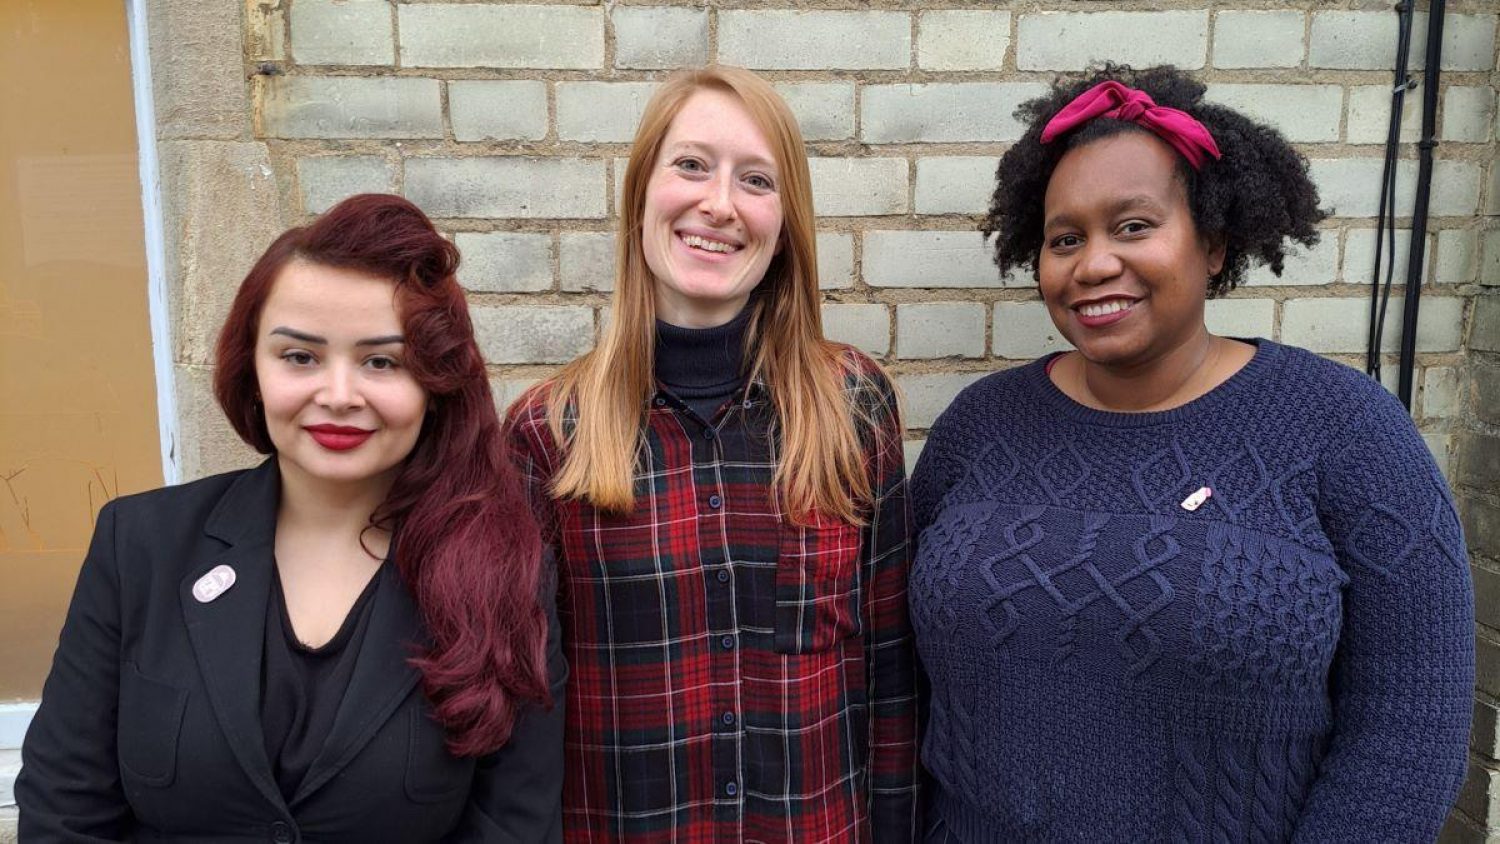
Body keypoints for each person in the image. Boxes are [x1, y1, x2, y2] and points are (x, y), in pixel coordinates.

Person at [909, 65, 1473, 842]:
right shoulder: (979, 427)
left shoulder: (1347, 432)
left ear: (1213, 242)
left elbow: (1411, 728)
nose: (1094, 263)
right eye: (1064, 238)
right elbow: (904, 681)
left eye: (1133, 226)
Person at [17, 194, 566, 842]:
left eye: (381, 361)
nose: (337, 395)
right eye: (300, 356)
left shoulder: (503, 568)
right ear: (251, 366)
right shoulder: (140, 546)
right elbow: (64, 812)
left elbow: (513, 826)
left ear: (435, 383)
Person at [505, 66, 921, 842]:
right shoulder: (547, 433)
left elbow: (891, 678)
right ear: (641, 196)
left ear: (785, 221)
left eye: (755, 180)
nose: (719, 204)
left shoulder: (854, 406)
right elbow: (527, 710)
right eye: (691, 165)